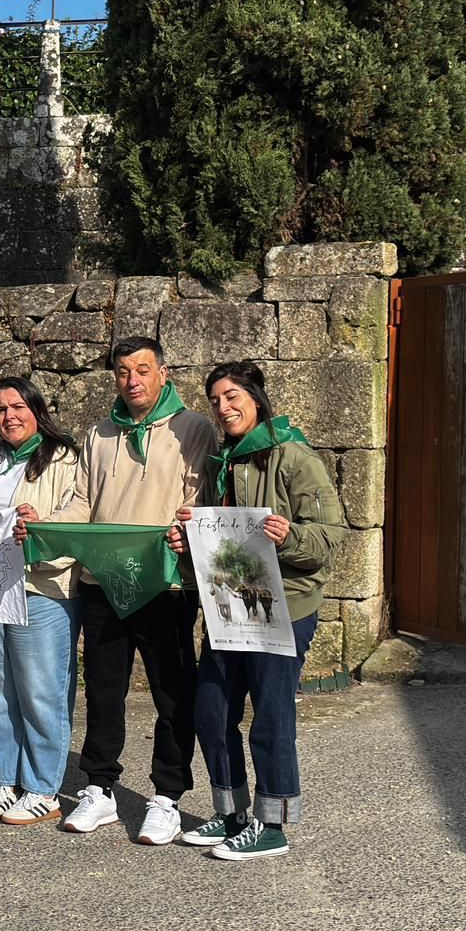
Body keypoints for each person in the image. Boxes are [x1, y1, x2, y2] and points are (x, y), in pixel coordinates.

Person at [41, 336, 218, 844]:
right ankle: (100, 789)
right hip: (103, 581)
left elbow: (198, 500)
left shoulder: (194, 429)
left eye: (142, 369)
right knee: (102, 692)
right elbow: (82, 501)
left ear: (163, 372)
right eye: (123, 371)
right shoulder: (99, 433)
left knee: (171, 693)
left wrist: (188, 529)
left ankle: (167, 796)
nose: (132, 380)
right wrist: (48, 529)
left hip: (164, 585)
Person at [168, 360, 344, 860]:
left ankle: (274, 824)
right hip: (229, 604)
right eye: (216, 401)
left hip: (284, 605)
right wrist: (188, 538)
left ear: (256, 397)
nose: (224, 409)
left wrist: (289, 537)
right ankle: (231, 814)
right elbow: (219, 541)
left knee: (270, 714)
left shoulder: (293, 456)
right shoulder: (221, 463)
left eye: (233, 397)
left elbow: (329, 538)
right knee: (211, 708)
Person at [0, 378, 81, 827]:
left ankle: (43, 787)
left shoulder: (65, 458)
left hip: (41, 589)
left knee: (40, 691)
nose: (9, 416)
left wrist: (42, 524)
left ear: (36, 409)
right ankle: (7, 780)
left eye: (17, 406)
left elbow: (80, 515)